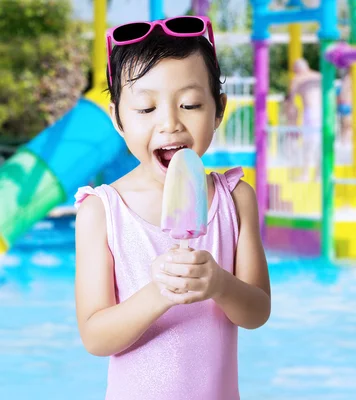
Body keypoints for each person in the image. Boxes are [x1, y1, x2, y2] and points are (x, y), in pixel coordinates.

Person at [74, 16, 270, 400]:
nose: (169, 123)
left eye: (190, 104)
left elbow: (257, 312)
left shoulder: (235, 198)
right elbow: (96, 338)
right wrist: (159, 292)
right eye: (145, 109)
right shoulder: (101, 212)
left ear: (218, 110)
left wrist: (218, 283)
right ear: (117, 118)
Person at [288, 58, 322, 180]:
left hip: (311, 113)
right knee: (320, 145)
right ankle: (319, 174)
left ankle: (306, 174)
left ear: (297, 69)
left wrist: (292, 122)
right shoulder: (319, 76)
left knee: (308, 144)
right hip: (324, 112)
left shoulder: (297, 79)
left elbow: (291, 103)